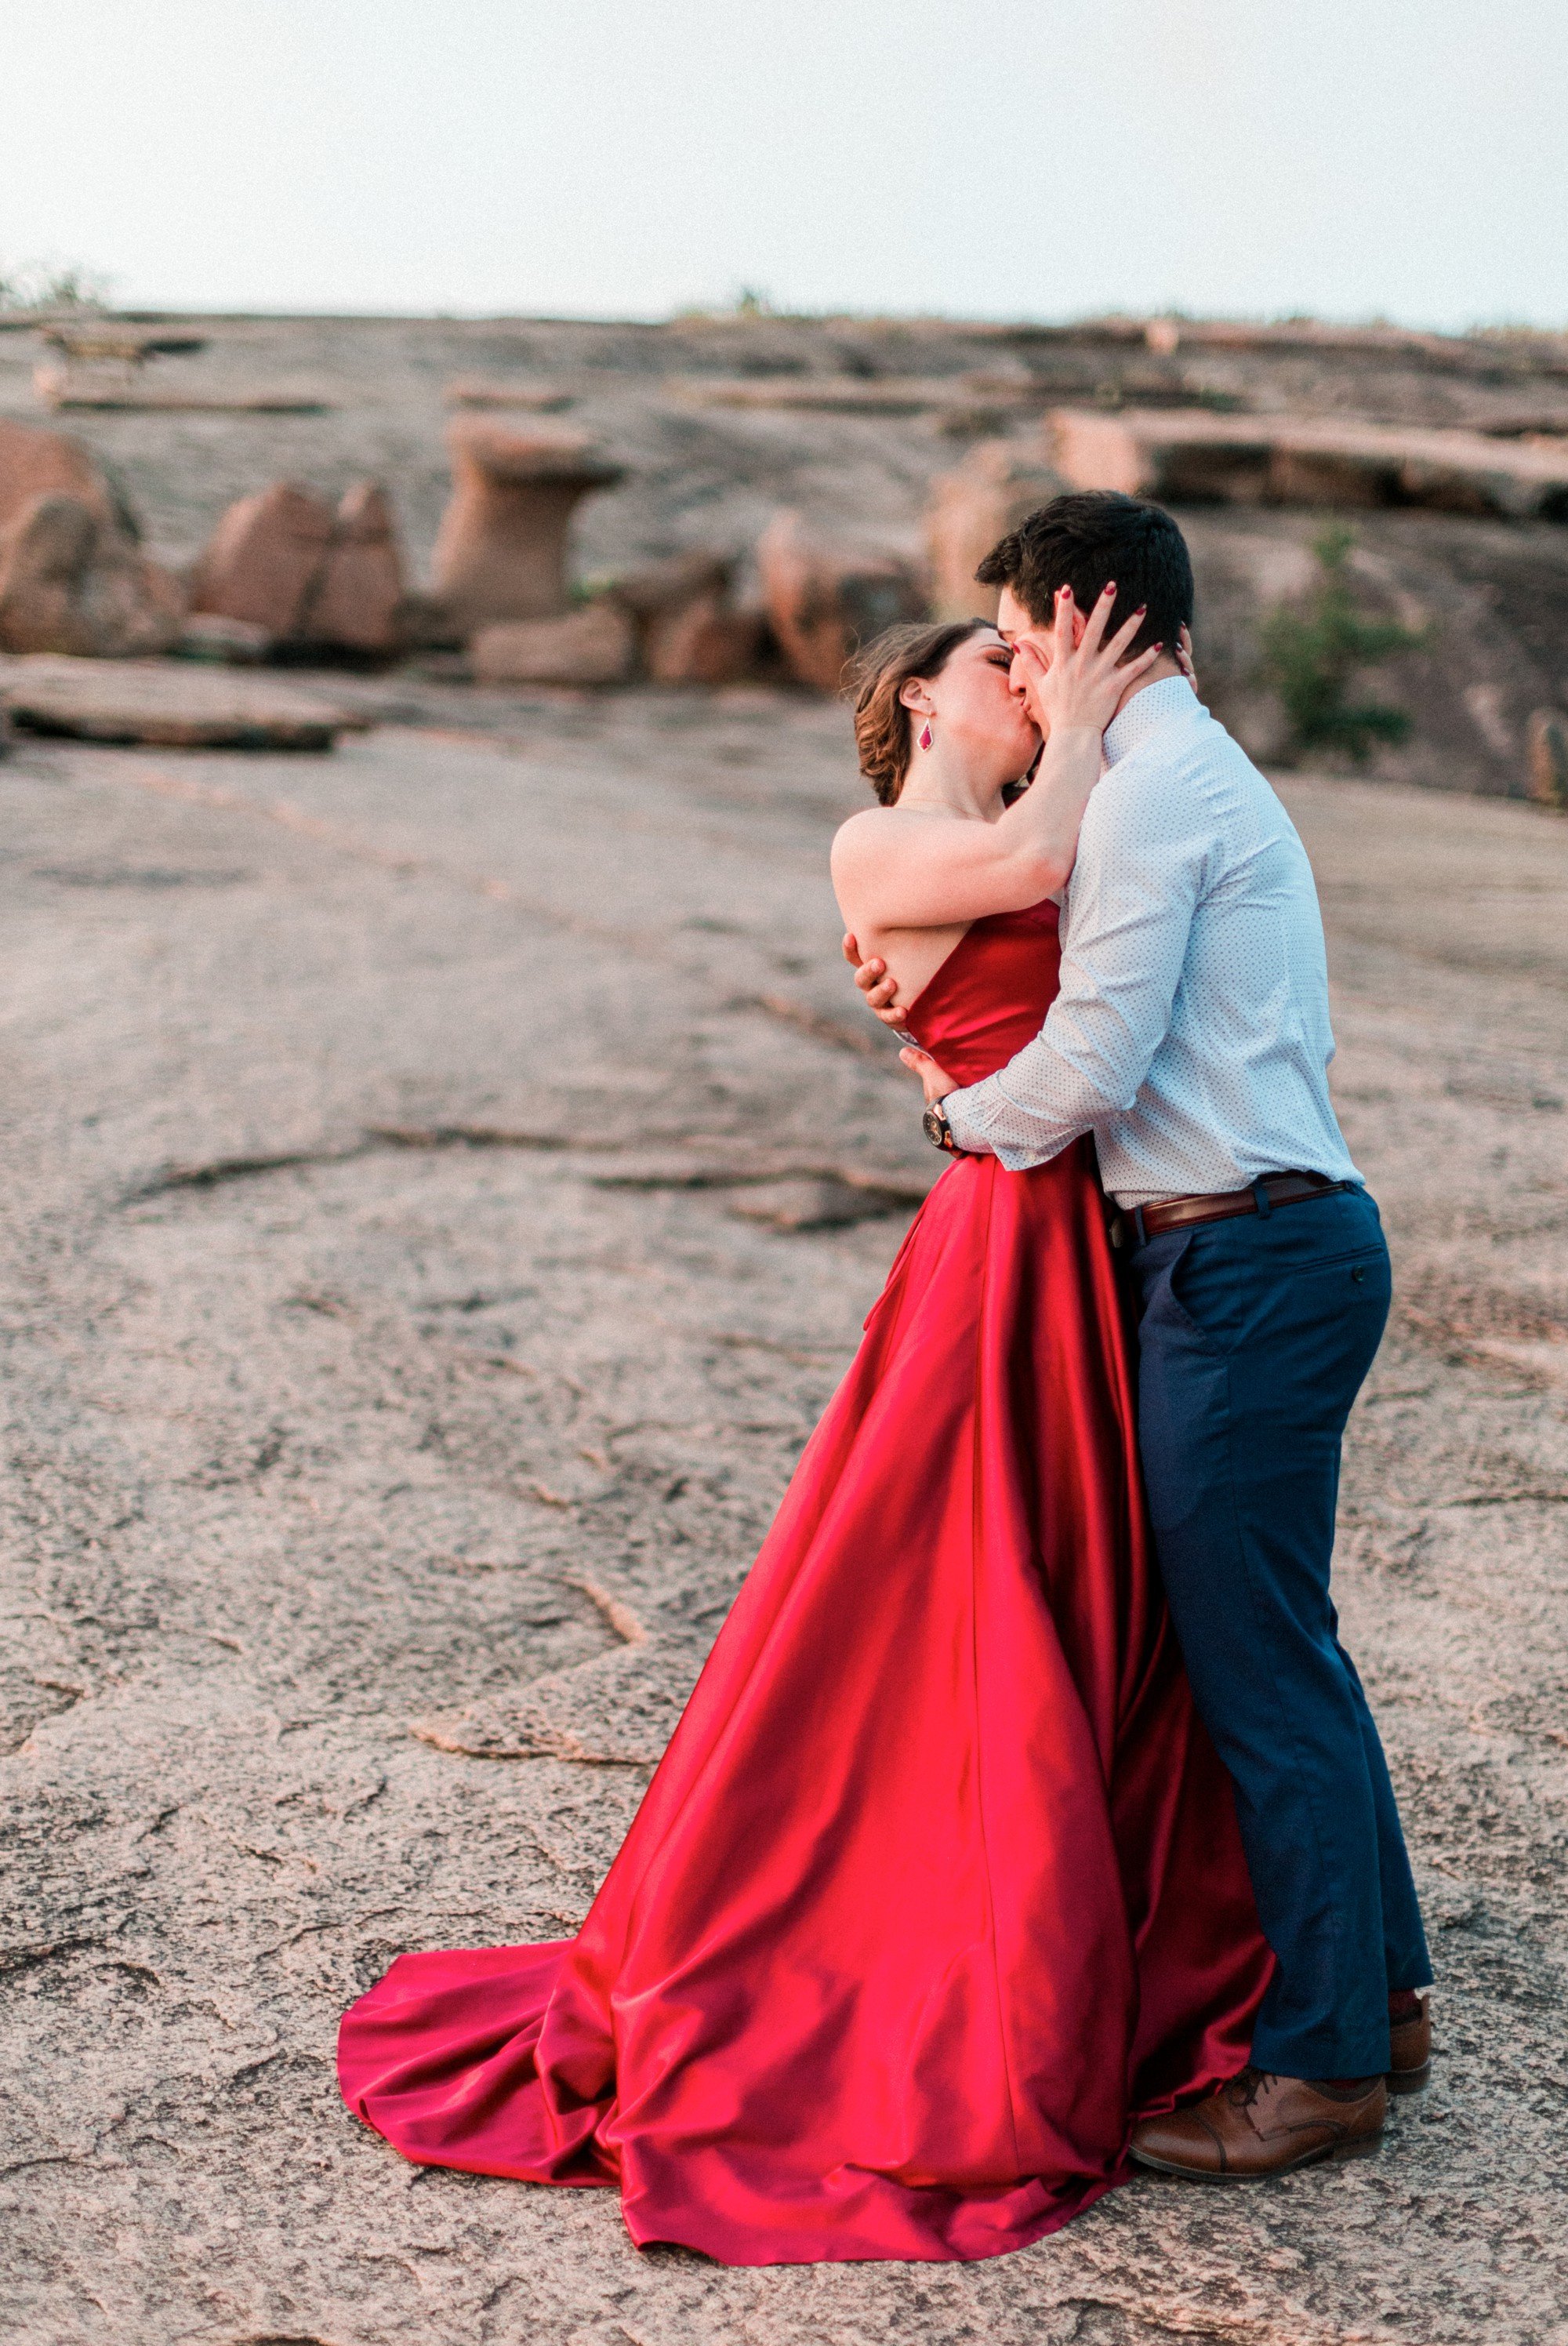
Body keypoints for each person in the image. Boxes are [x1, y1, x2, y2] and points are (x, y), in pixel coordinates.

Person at [336, 596, 1273, 2266]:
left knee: (1111, 1593)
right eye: (1003, 658)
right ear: (922, 696)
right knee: (968, 1588)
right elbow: (1045, 865)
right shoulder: (882, 845)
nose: (1035, 680)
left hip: (1095, 1244)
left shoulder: (1041, 836)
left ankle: (1140, 1933)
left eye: (1040, 657)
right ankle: (954, 1945)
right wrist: (1104, 702)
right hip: (1001, 1247)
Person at [848, 491, 1433, 2181]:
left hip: (1244, 1257)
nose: (1021, 669)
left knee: (1255, 1662)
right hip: (1246, 1247)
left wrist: (959, 1117)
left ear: (1089, 619)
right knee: (1277, 1639)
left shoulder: (1157, 788)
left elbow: (1095, 1060)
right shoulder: (1150, 774)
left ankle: (1319, 2066)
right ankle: (1375, 1992)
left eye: (1027, 634)